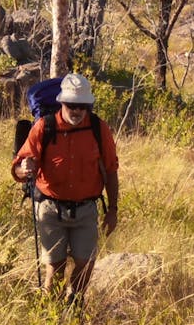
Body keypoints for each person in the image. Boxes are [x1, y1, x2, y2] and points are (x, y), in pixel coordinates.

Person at [12, 73, 119, 304]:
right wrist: (24, 168)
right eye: (72, 105)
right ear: (62, 102)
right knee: (55, 266)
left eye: (83, 106)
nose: (77, 111)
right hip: (50, 209)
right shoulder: (44, 127)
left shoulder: (99, 129)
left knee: (85, 261)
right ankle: (52, 310)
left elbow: (111, 170)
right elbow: (18, 170)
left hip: (86, 210)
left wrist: (113, 210)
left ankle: (75, 303)